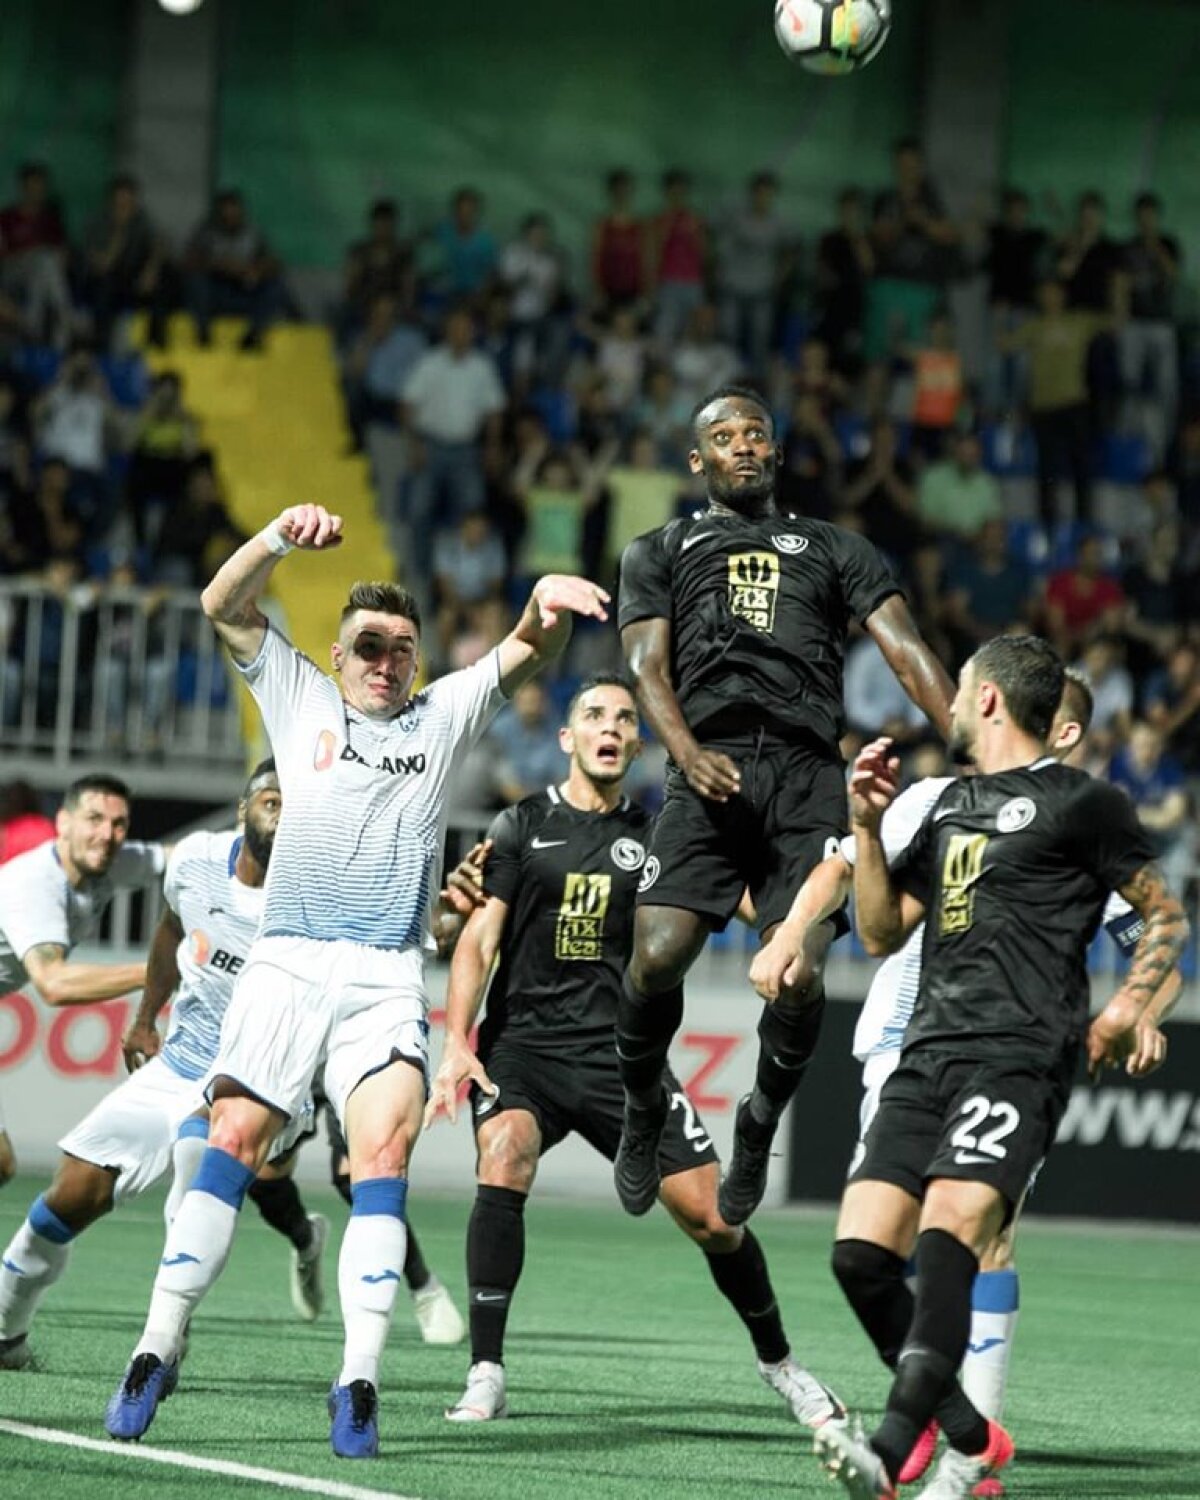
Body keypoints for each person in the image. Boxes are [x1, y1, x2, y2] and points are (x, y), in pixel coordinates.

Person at [102, 502, 609, 1457]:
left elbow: (525, 650)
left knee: (381, 1162)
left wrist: (544, 604)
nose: (384, 659)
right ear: (337, 656)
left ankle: (360, 1381)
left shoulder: (441, 714)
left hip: (381, 975)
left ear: (416, 660)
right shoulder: (300, 698)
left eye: (400, 647)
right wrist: (278, 541)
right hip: (287, 962)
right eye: (367, 643)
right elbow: (222, 602)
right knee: (234, 1139)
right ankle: (156, 1345)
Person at [752, 668, 1179, 1491]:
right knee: (862, 1256)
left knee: (965, 1232)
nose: (941, 703)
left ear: (988, 700)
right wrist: (865, 828)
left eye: (959, 689)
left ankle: (903, 1444)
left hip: (1021, 1051)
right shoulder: (932, 801)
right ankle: (970, 1433)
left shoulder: (1083, 805)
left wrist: (1136, 1006)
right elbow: (873, 921)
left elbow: (1157, 922)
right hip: (910, 1046)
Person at [425, 674, 845, 1431]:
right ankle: (486, 1370)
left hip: (623, 1062)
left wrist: (797, 924)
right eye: (593, 715)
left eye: (625, 717)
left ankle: (781, 1365)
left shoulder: (664, 836)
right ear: (569, 737)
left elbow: (757, 909)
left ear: (639, 743)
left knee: (717, 1219)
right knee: (506, 1149)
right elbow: (478, 939)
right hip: (523, 1049)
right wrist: (457, 1041)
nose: (610, 726)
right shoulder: (522, 825)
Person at [612, 383, 955, 1226]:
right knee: (655, 955)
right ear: (698, 459)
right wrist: (687, 754)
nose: (742, 445)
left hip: (806, 776)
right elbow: (645, 668)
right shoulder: (657, 548)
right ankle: (642, 1106)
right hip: (708, 768)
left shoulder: (836, 547)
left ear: (773, 449)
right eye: (723, 436)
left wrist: (974, 745)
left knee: (795, 976)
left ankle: (758, 1122)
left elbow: (907, 651)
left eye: (755, 433)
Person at [0, 763, 323, 1368]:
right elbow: (162, 932)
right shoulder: (189, 863)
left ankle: (166, 1331)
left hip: (260, 1078)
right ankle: (4, 1332)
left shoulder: (321, 888)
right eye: (270, 799)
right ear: (242, 806)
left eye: (118, 823)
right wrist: (152, 1004)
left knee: (198, 1161)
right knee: (74, 1187)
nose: (108, 834)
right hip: (181, 1062)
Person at [0, 775, 163, 1201]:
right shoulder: (33, 884)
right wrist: (160, 970)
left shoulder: (110, 859)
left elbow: (188, 857)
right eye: (94, 819)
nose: (107, 834)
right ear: (63, 823)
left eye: (119, 824)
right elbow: (53, 984)